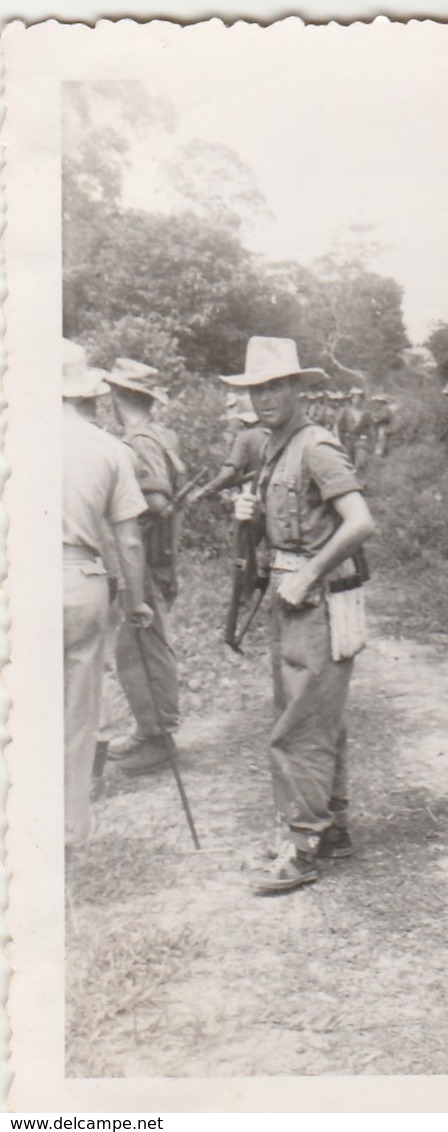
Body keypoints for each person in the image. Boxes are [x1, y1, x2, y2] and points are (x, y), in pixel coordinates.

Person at [230, 336, 376, 894]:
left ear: (297, 388)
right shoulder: (273, 446)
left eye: (275, 386)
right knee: (313, 715)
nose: (264, 398)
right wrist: (248, 513)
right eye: (256, 389)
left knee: (300, 724)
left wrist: (310, 574)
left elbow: (359, 522)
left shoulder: (315, 445)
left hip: (315, 597)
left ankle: (300, 847)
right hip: (291, 593)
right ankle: (330, 827)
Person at [62, 339, 152, 851]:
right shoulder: (110, 449)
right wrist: (136, 601)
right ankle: (69, 830)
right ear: (86, 397)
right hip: (81, 579)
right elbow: (129, 538)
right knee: (77, 715)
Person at [106, 358, 185, 776]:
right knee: (140, 645)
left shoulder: (136, 441)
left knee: (141, 647)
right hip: (157, 554)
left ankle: (157, 738)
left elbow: (158, 502)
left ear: (118, 396)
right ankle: (150, 730)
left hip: (146, 556)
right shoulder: (159, 434)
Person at [187, 390, 269, 504]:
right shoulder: (276, 436)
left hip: (254, 499)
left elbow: (229, 473)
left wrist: (203, 491)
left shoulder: (245, 437)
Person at [370, 393, 393, 457]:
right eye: (376, 402)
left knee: (381, 438)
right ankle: (378, 452)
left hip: (383, 426)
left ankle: (380, 453)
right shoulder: (376, 410)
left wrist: (377, 418)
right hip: (377, 426)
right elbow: (372, 416)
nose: (376, 403)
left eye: (378, 402)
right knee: (377, 438)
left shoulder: (385, 409)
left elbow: (385, 416)